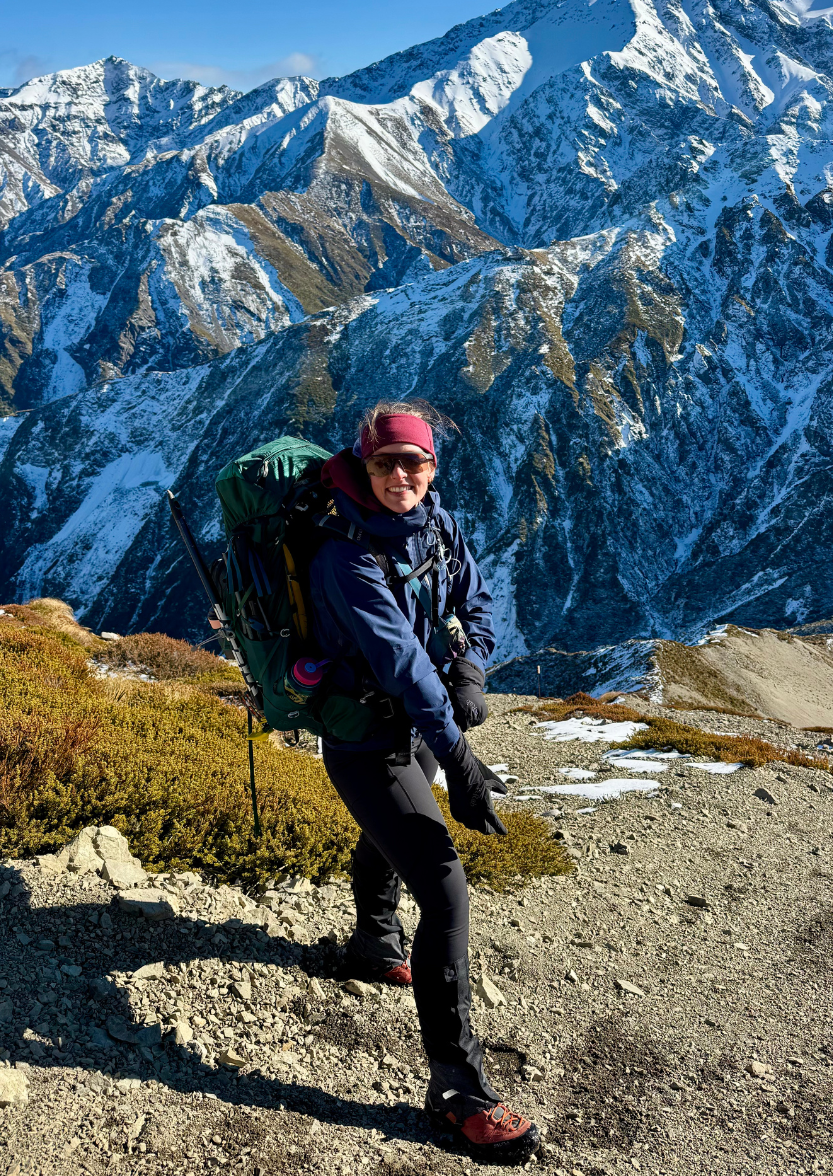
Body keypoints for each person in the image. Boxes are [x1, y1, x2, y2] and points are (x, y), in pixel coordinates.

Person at [308, 400, 540, 1165]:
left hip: (414, 727)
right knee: (443, 887)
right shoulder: (344, 556)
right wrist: (463, 760)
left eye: (415, 462)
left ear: (432, 468)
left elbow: (476, 600)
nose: (401, 476)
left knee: (395, 836)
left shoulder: (437, 524)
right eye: (385, 464)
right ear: (363, 467)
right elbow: (403, 665)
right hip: (366, 737)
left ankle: (373, 941)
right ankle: (456, 1092)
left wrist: (472, 663)